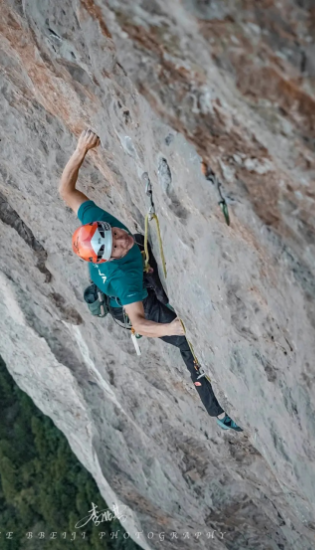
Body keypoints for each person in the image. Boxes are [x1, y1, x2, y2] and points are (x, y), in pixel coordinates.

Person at [59, 129, 242, 432]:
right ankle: (219, 412)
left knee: (140, 242)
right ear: (106, 260)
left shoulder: (97, 224)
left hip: (136, 274)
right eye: (115, 247)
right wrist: (171, 327)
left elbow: (66, 191)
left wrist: (81, 150)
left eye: (115, 233)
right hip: (134, 302)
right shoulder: (123, 280)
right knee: (186, 341)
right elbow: (139, 324)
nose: (121, 240)